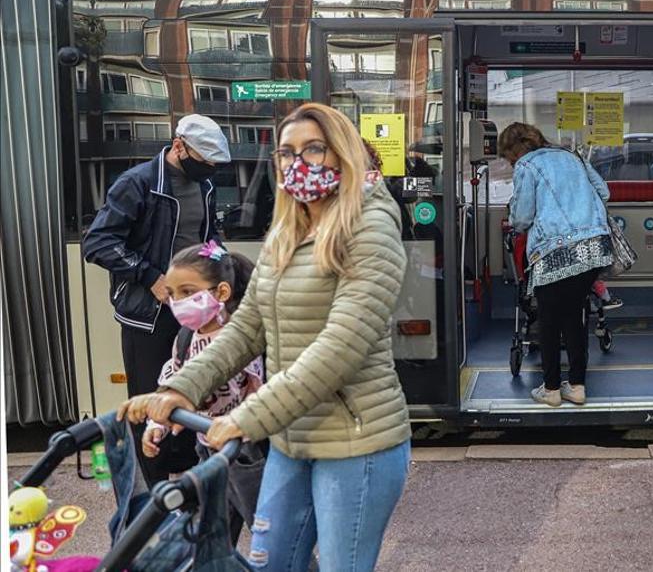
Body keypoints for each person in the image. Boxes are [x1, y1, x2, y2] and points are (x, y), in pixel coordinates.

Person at [119, 103, 412, 571]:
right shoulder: (287, 230)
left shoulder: (370, 227)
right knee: (270, 562)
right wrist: (180, 387)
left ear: (342, 154)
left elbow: (342, 346)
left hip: (356, 443)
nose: (298, 163)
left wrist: (247, 418)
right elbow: (247, 327)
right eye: (286, 153)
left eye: (313, 149)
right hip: (291, 438)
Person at [83, 113, 230, 484]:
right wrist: (150, 276)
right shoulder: (138, 183)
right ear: (179, 146)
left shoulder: (205, 186)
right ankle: (154, 490)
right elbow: (98, 242)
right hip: (148, 315)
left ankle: (187, 483)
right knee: (151, 398)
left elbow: (208, 237)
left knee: (192, 391)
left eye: (214, 164)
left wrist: (221, 266)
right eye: (204, 161)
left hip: (193, 310)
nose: (209, 169)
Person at [142, 241, 266, 545]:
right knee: (209, 536)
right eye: (172, 294)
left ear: (221, 293)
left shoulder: (239, 339)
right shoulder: (184, 339)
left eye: (187, 292)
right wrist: (157, 424)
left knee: (271, 536)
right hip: (207, 451)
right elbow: (173, 386)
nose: (176, 302)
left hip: (246, 455)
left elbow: (258, 392)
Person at [501, 123, 613, 407]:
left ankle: (551, 389)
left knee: (549, 320)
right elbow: (604, 191)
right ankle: (576, 386)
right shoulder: (571, 155)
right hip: (593, 247)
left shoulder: (527, 165)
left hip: (554, 251)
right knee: (575, 317)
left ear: (514, 152)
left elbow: (522, 218)